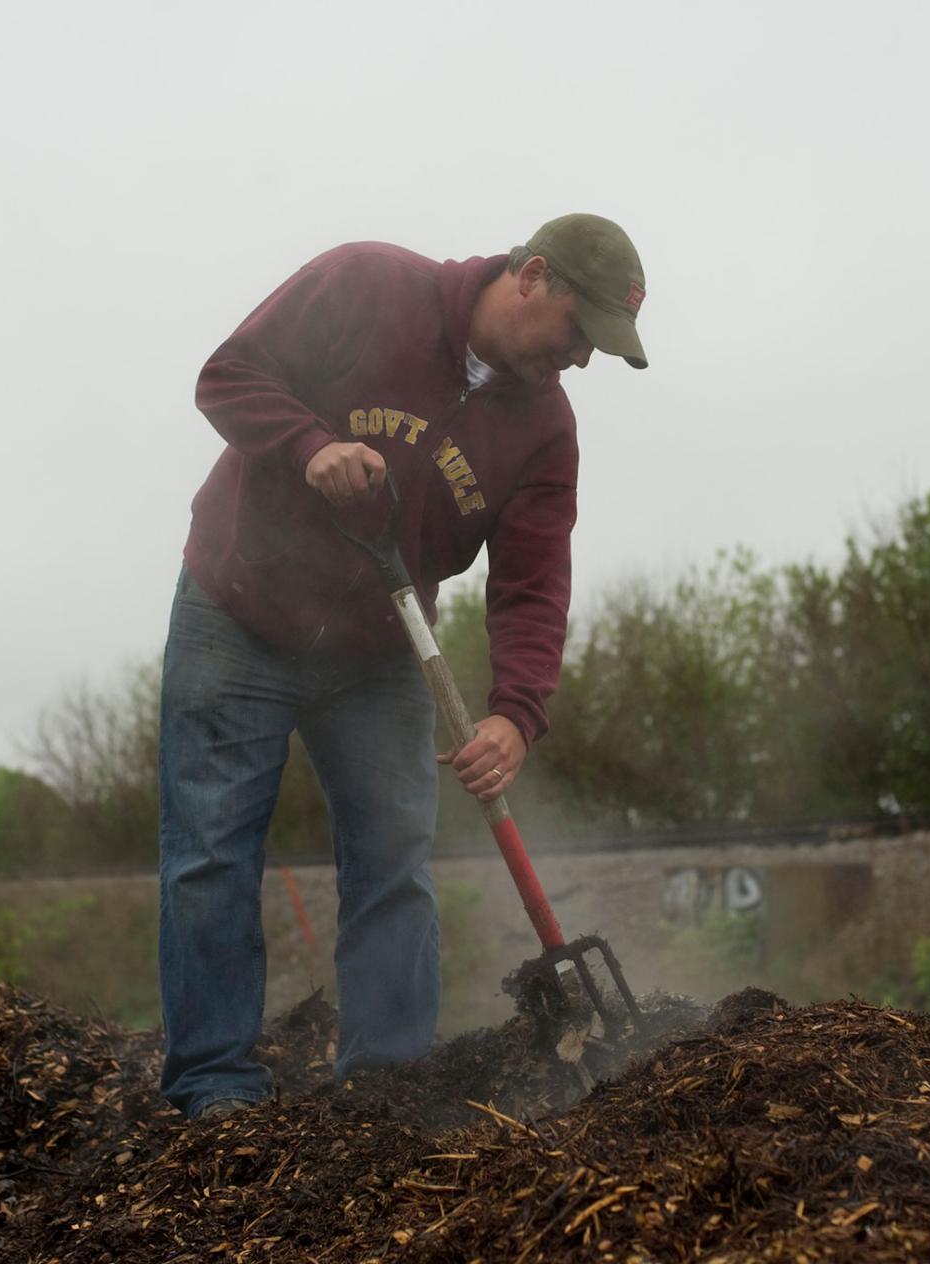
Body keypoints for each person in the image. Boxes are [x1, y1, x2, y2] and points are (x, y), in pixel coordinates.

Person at [158, 213, 648, 1120]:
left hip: (380, 652)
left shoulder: (546, 433)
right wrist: (312, 447)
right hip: (239, 611)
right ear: (533, 276)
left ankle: (386, 1090)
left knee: (393, 862)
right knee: (211, 856)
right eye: (581, 335)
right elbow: (226, 376)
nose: (581, 361)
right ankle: (213, 1085)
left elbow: (534, 584)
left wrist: (516, 713)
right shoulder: (367, 285)